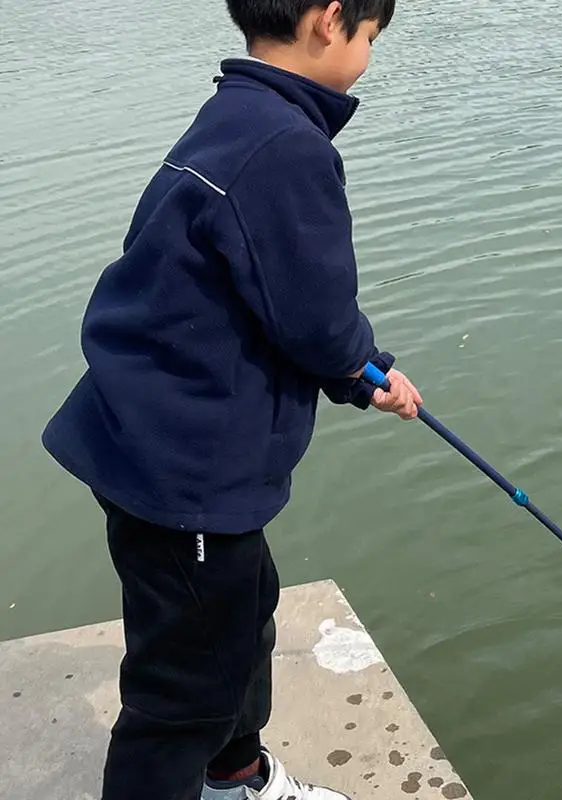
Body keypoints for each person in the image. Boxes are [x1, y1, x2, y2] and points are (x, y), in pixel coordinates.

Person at [40, 1, 421, 799]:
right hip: (188, 474)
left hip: (159, 440)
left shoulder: (238, 111)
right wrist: (365, 369)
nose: (368, 59)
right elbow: (314, 316)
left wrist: (355, 367)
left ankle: (235, 778)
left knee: (246, 613)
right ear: (329, 20)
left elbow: (263, 287)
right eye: (370, 39)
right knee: (183, 696)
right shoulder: (287, 146)